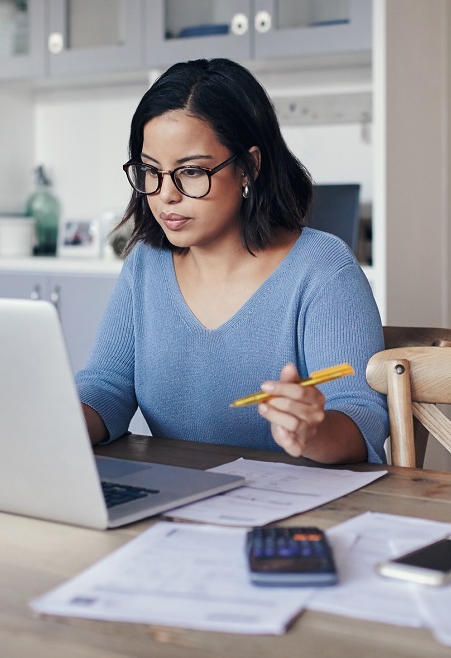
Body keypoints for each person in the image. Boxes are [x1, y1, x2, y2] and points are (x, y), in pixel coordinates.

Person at [75, 58, 388, 465]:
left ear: (248, 167)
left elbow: (361, 420)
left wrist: (313, 431)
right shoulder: (145, 266)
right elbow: (107, 388)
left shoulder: (322, 270)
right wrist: (52, 421)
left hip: (295, 514)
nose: (166, 194)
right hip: (179, 501)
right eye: (150, 171)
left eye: (190, 172)